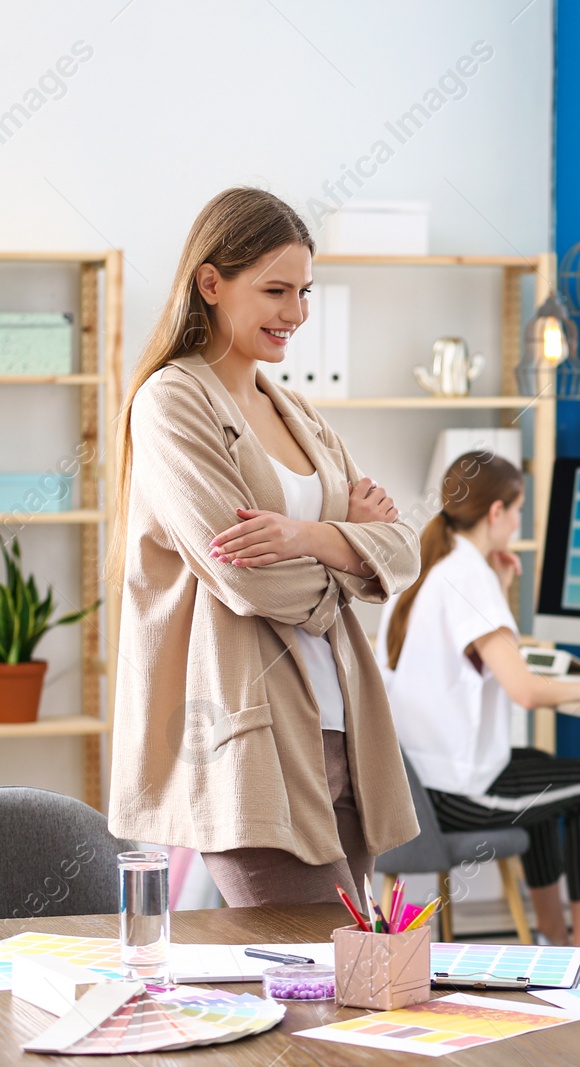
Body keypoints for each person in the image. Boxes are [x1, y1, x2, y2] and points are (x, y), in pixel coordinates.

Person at [107, 187, 422, 906]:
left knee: (348, 989)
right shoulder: (172, 401)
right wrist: (350, 557)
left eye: (304, 290)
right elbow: (247, 580)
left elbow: (403, 549)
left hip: (342, 725)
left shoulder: (297, 411)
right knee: (320, 964)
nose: (297, 313)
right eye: (276, 290)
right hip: (249, 737)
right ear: (210, 283)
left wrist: (308, 535)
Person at [377, 450, 580, 951]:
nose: (521, 521)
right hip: (457, 795)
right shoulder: (468, 576)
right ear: (496, 512)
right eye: (519, 510)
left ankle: (556, 941)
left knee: (545, 775)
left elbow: (484, 662)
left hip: (423, 787)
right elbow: (525, 690)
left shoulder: (431, 566)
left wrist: (499, 589)